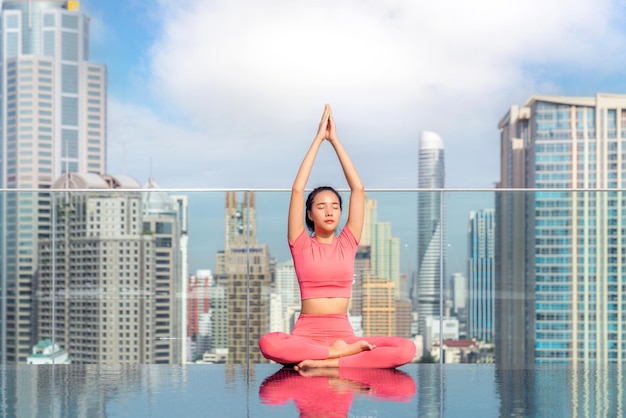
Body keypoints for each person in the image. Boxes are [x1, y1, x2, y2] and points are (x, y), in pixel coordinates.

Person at [258, 104, 416, 369]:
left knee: (407, 349)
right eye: (321, 206)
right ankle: (334, 357)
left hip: (344, 335)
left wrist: (336, 141)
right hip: (307, 336)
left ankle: (324, 363)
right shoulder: (300, 243)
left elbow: (358, 188)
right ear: (309, 214)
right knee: (269, 343)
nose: (329, 211)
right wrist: (318, 139)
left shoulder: (348, 242)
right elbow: (297, 190)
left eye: (335, 206)